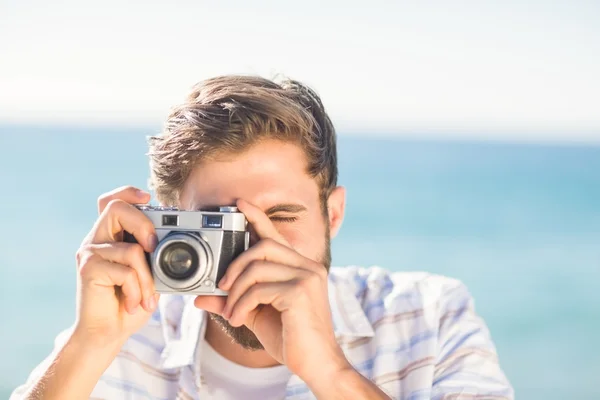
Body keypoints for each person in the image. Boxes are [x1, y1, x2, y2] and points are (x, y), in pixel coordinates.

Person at [11, 75, 514, 400]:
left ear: (332, 214)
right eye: (219, 223)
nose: (256, 247)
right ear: (165, 228)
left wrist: (331, 374)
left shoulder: (430, 315)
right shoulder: (122, 340)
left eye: (282, 215)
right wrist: (89, 344)